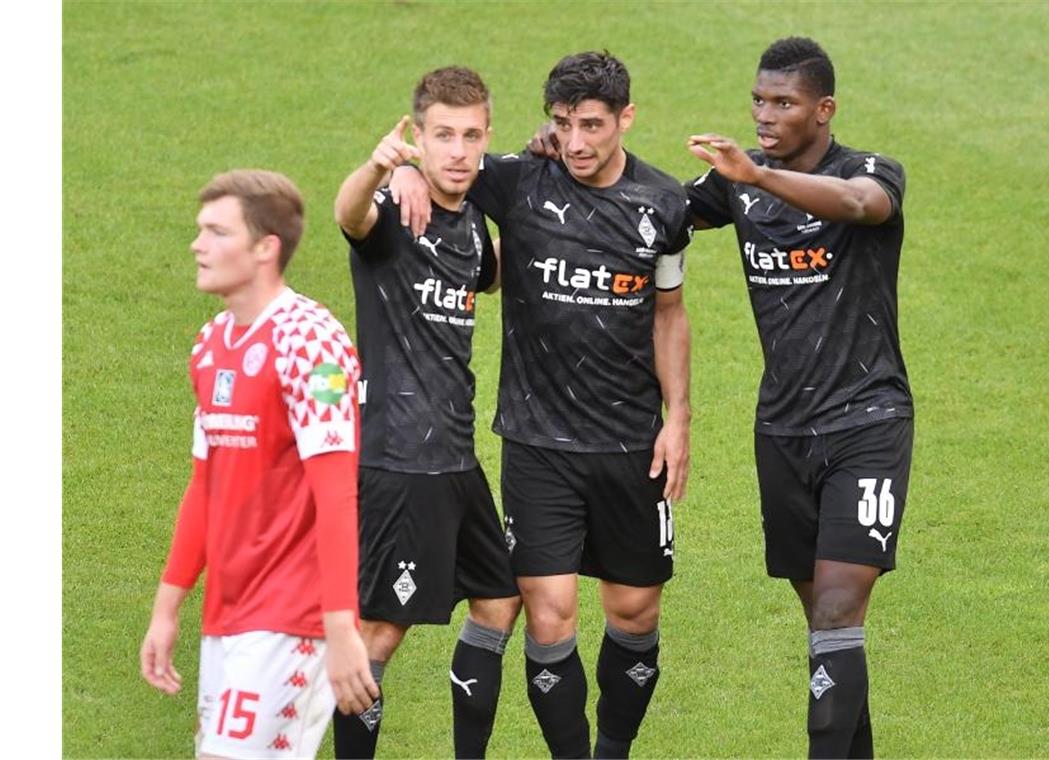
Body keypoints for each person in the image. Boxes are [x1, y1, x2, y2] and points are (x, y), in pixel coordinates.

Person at [393, 50, 693, 759]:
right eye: (562, 124)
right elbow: (447, 164)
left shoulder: (663, 204)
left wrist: (678, 416)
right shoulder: (520, 180)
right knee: (550, 616)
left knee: (634, 611)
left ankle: (613, 749)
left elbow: (670, 313)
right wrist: (405, 169)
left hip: (631, 443)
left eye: (592, 124)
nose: (577, 142)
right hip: (538, 441)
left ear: (626, 118)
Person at [685, 37, 914, 758]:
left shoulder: (870, 171)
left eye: (783, 103)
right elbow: (650, 212)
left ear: (825, 109)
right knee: (829, 633)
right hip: (782, 430)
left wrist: (756, 176)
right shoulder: (738, 181)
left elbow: (856, 205)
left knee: (843, 607)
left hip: (867, 422)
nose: (765, 113)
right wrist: (558, 163)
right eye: (758, 99)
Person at [139, 169, 378, 759]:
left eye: (216, 232)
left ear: (265, 247)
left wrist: (341, 623)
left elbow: (336, 491)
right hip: (229, 614)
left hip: (294, 616)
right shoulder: (212, 342)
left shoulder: (311, 343)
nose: (198, 245)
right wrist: (167, 609)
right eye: (201, 230)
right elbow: (205, 487)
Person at [330, 66, 521, 760]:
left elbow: (493, 272)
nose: (459, 151)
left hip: (455, 459)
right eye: (443, 136)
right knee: (379, 634)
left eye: (472, 136)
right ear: (419, 136)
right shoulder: (392, 210)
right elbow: (349, 216)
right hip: (400, 459)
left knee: (499, 600)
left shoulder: (470, 221)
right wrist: (379, 168)